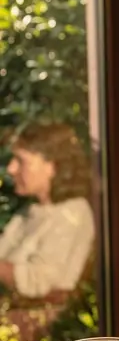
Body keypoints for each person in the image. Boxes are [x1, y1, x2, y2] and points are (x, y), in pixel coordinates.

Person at [0, 123, 94, 300]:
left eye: (21, 161)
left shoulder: (72, 214)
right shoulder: (31, 211)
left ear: (52, 167)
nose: (11, 169)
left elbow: (39, 281)